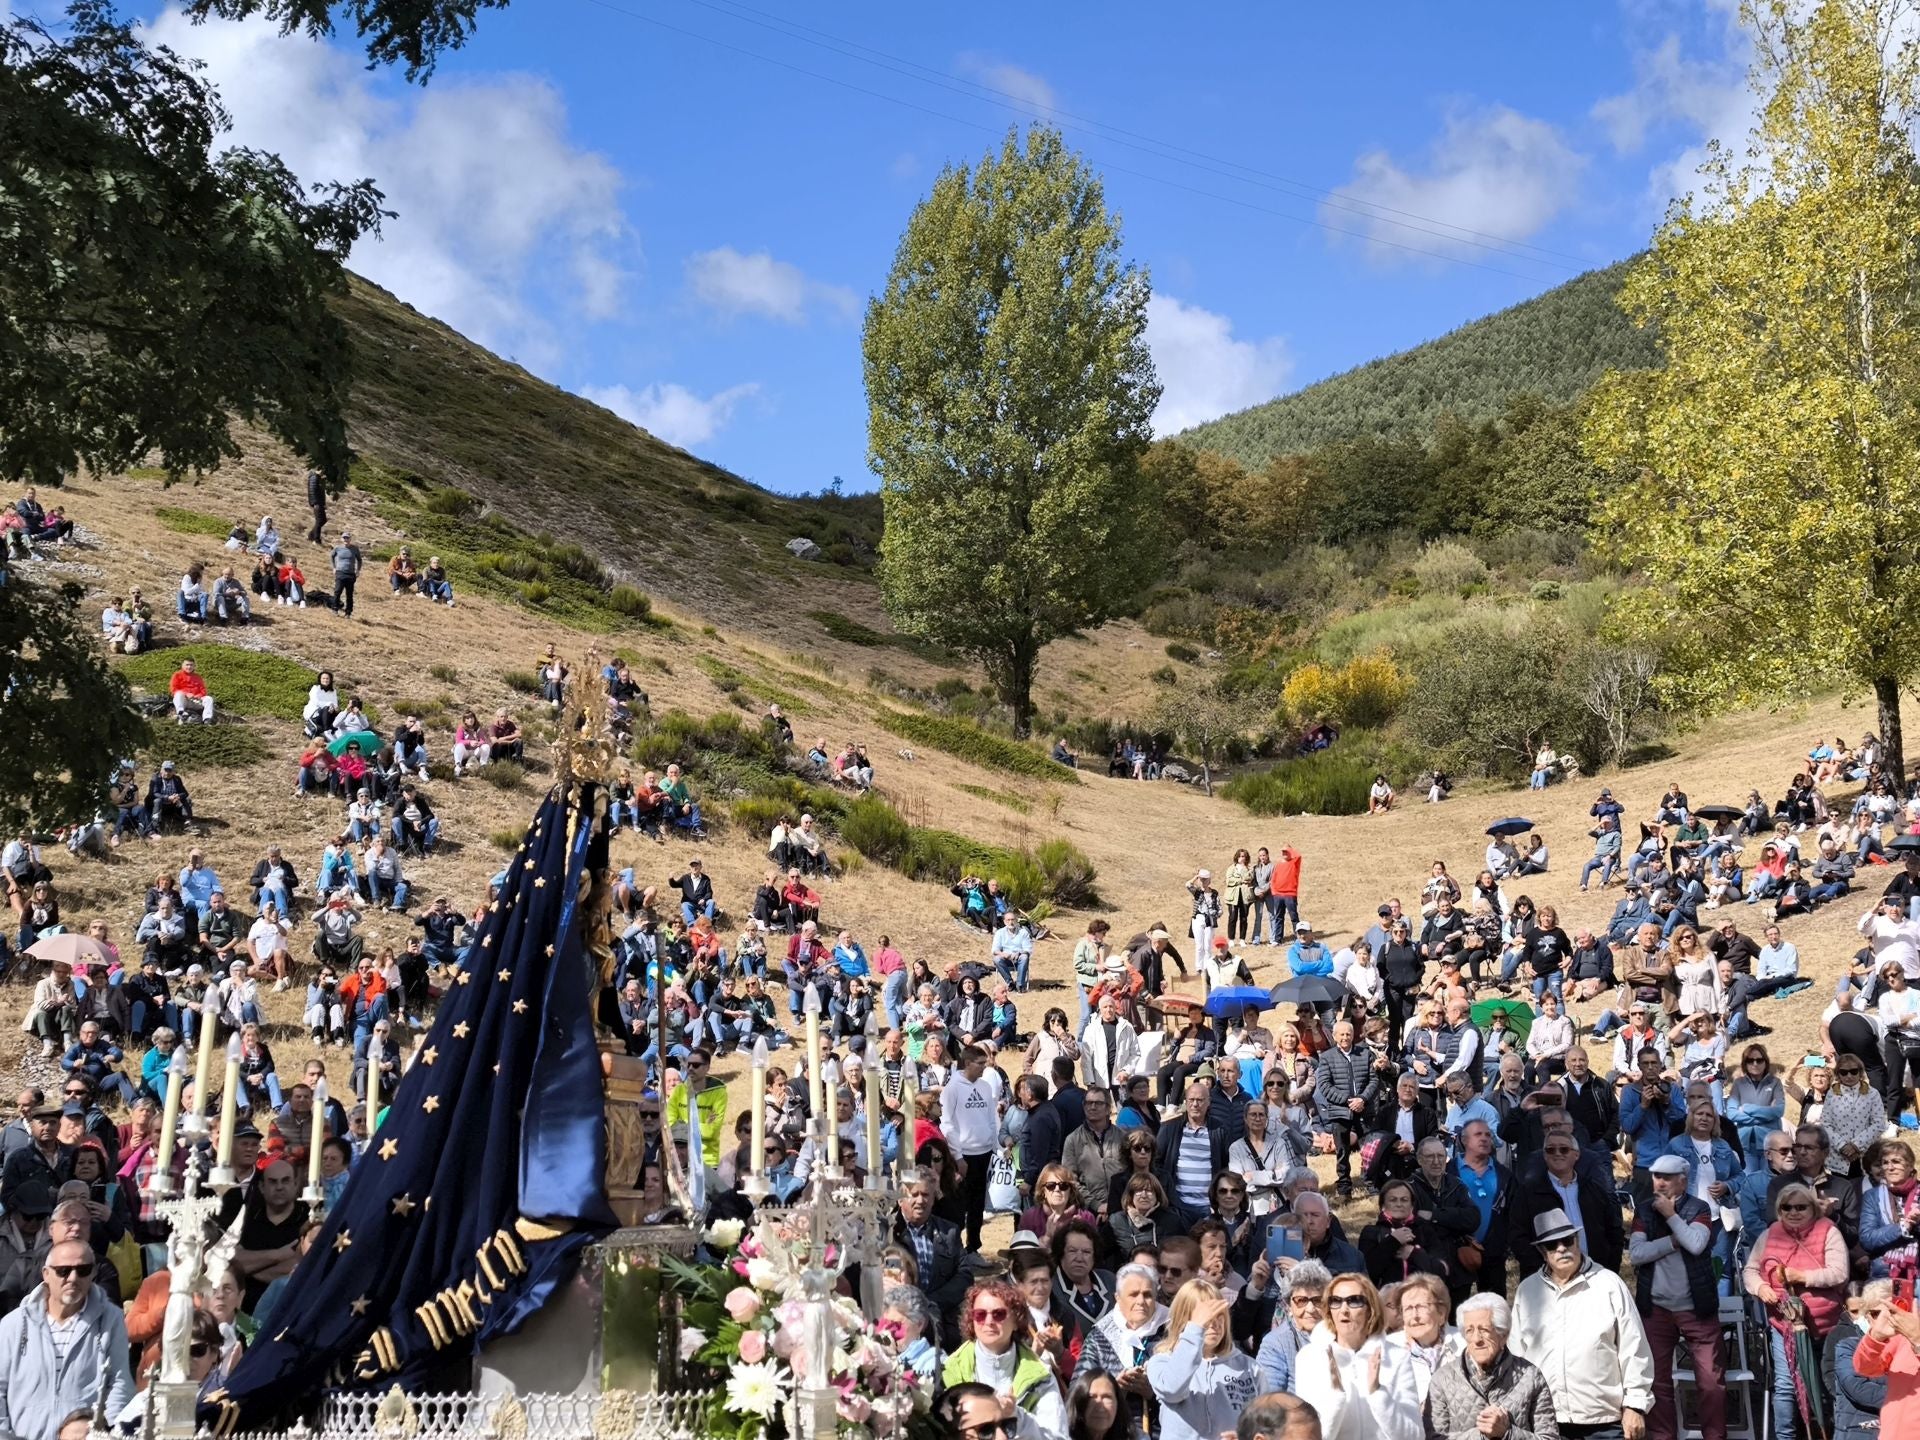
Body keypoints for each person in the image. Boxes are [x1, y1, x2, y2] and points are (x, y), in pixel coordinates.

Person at [1509, 1206, 1654, 1440]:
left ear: (1577, 1241)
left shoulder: (1609, 1284)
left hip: (1605, 1421)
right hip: (1546, 1421)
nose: (1562, 1249)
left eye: (1567, 1240)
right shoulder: (1527, 1291)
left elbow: (1635, 1348)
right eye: (1552, 1245)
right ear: (1542, 1252)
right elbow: (1517, 1358)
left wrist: (1635, 1405)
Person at [1746, 1180, 1849, 1440]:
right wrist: (1760, 1288)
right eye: (1786, 1207)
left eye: (1801, 1207)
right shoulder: (1770, 1233)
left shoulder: (1828, 1230)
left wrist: (1802, 1276)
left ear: (1813, 1208)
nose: (1793, 1212)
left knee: (1828, 1382)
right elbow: (1750, 1270)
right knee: (1786, 1385)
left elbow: (1839, 1273)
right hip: (1786, 1323)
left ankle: (1835, 1434)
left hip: (1827, 1323)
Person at [0, 1239, 135, 1437]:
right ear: (46, 1274)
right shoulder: (14, 1324)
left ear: (94, 1273)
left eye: (83, 1270)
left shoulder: (110, 1319)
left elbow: (120, 1382)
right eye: (63, 1270)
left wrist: (104, 1433)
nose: (73, 1278)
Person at [1291, 1271, 1422, 1440]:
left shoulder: (1396, 1357)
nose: (1344, 1310)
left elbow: (1415, 1436)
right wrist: (1336, 1396)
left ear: (1370, 1309)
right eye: (1336, 1301)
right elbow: (1308, 1436)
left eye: (1354, 1301)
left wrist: (1378, 1393)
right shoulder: (1310, 1358)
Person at [1423, 1292, 1559, 1440]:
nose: (1476, 1339)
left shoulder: (1531, 1376)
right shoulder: (1443, 1379)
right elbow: (1433, 1437)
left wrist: (1508, 1432)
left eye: (1484, 1330)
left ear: (1503, 1335)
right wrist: (1480, 1435)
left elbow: (1550, 1437)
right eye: (1469, 1330)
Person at [943, 1278, 1066, 1437]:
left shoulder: (1041, 1375)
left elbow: (1057, 1436)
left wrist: (1018, 1418)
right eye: (980, 1315)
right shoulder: (948, 1370)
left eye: (998, 1314)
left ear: (1016, 1321)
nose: (989, 1322)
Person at [1144, 1279, 1259, 1440]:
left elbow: (1266, 1422)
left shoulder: (1248, 1367)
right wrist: (1195, 1330)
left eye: (1219, 1315)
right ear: (1184, 1319)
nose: (1213, 1323)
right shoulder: (1161, 1362)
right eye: (1205, 1317)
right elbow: (1172, 1390)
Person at [1073, 1263, 1167, 1436]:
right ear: (1118, 1297)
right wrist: (1115, 1390)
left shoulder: (1172, 1331)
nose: (1141, 1301)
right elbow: (1077, 1393)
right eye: (1133, 1294)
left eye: (1147, 1295)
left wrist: (1153, 1393)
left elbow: (1192, 1392)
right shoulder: (1099, 1337)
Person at [1851, 1284, 1920, 1438]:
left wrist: (1918, 1341)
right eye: (1875, 1313)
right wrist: (1876, 1338)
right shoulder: (1903, 1336)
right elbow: (1864, 1367)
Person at [169, 656, 214, 724]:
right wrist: (186, 694)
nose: (189, 667)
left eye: (191, 665)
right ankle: (181, 713)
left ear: (194, 666)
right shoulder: (177, 675)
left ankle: (207, 719)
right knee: (178, 694)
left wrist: (197, 696)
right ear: (182, 665)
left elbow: (203, 691)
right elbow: (173, 689)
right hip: (184, 701)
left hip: (196, 701)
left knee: (209, 699)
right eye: (187, 665)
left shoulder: (198, 677)